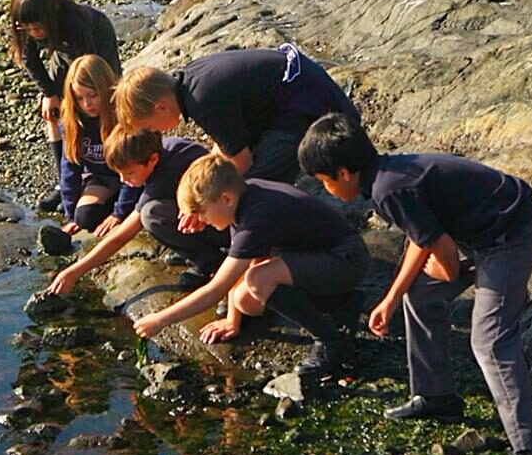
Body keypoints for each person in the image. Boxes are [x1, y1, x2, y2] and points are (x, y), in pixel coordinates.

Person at [298, 113, 532, 455]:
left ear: (344, 173)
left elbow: (444, 254)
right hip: (478, 231)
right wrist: (390, 298)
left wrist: (446, 272)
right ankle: (436, 395)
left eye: (324, 181)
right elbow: (422, 237)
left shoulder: (389, 189)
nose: (326, 189)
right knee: (419, 294)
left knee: (490, 342)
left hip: (510, 233)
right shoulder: (385, 176)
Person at [133, 154, 369, 378]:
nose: (201, 220)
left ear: (226, 199)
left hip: (345, 259)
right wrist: (232, 320)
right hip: (312, 255)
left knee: (259, 280)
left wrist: (160, 320)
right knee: (245, 301)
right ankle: (340, 302)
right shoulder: (243, 197)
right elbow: (246, 262)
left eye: (201, 212)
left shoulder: (257, 215)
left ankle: (330, 340)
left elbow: (216, 289)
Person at [114, 45, 359, 184]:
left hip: (315, 110)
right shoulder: (189, 82)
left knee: (253, 184)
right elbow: (226, 143)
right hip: (291, 95)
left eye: (151, 126)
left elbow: (242, 162)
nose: (155, 132)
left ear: (161, 108)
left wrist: (205, 198)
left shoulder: (202, 101)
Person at [46, 127, 229, 296]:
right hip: (210, 213)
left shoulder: (164, 173)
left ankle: (212, 263)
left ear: (153, 160)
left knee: (151, 215)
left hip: (225, 223)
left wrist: (74, 272)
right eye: (119, 174)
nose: (123, 180)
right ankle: (197, 252)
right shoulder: (165, 149)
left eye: (130, 173)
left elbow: (121, 236)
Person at [8, 0, 121, 213]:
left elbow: (88, 69)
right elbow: (29, 59)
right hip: (62, 51)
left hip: (95, 48)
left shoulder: (74, 23)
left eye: (38, 27)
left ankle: (110, 167)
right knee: (54, 112)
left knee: (98, 102)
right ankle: (64, 182)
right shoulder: (25, 23)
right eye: (28, 28)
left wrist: (76, 99)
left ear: (50, 15)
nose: (34, 32)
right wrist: (49, 93)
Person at [56, 55, 141, 236]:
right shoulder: (72, 122)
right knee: (84, 218)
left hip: (136, 176)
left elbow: (136, 164)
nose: (87, 104)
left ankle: (128, 204)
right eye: (79, 98)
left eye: (93, 95)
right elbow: (69, 169)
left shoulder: (124, 116)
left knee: (131, 208)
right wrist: (70, 215)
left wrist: (118, 213)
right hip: (103, 179)